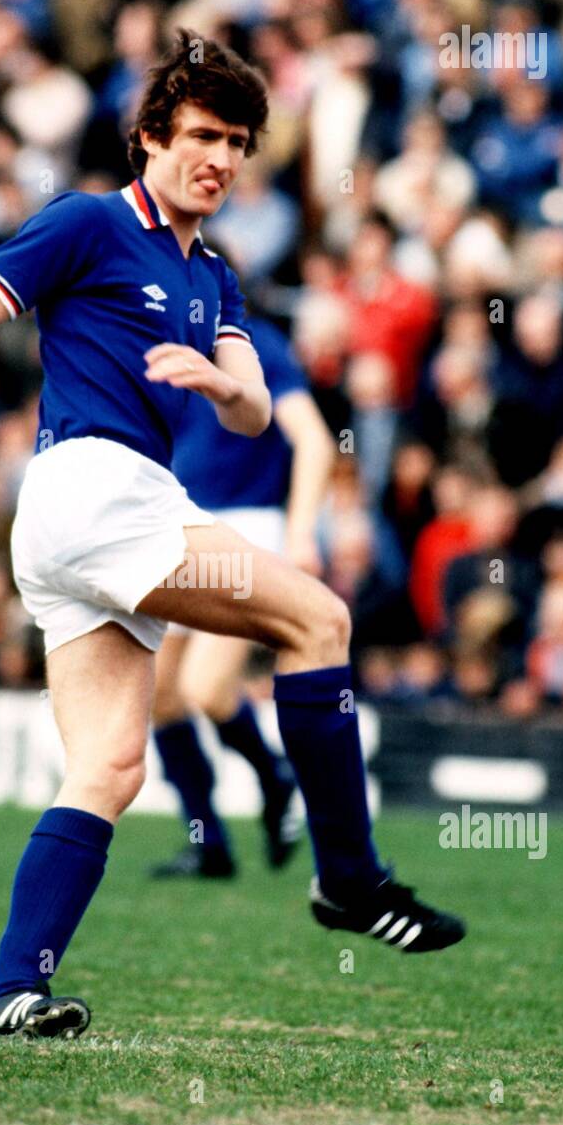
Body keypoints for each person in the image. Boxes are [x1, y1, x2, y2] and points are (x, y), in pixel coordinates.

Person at [0, 30, 465, 1043]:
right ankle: (348, 880)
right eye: (201, 133)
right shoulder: (87, 223)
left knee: (110, 766)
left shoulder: (217, 276)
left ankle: (9, 990)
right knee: (318, 618)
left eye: (238, 141)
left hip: (84, 523)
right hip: (95, 492)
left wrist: (221, 383)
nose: (221, 156)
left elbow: (249, 412)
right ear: (150, 137)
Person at [150, 310, 336, 879]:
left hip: (246, 528)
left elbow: (314, 440)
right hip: (179, 523)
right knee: (159, 694)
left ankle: (274, 777)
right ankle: (208, 842)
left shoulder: (256, 346)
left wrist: (301, 529)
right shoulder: (162, 339)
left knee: (205, 689)